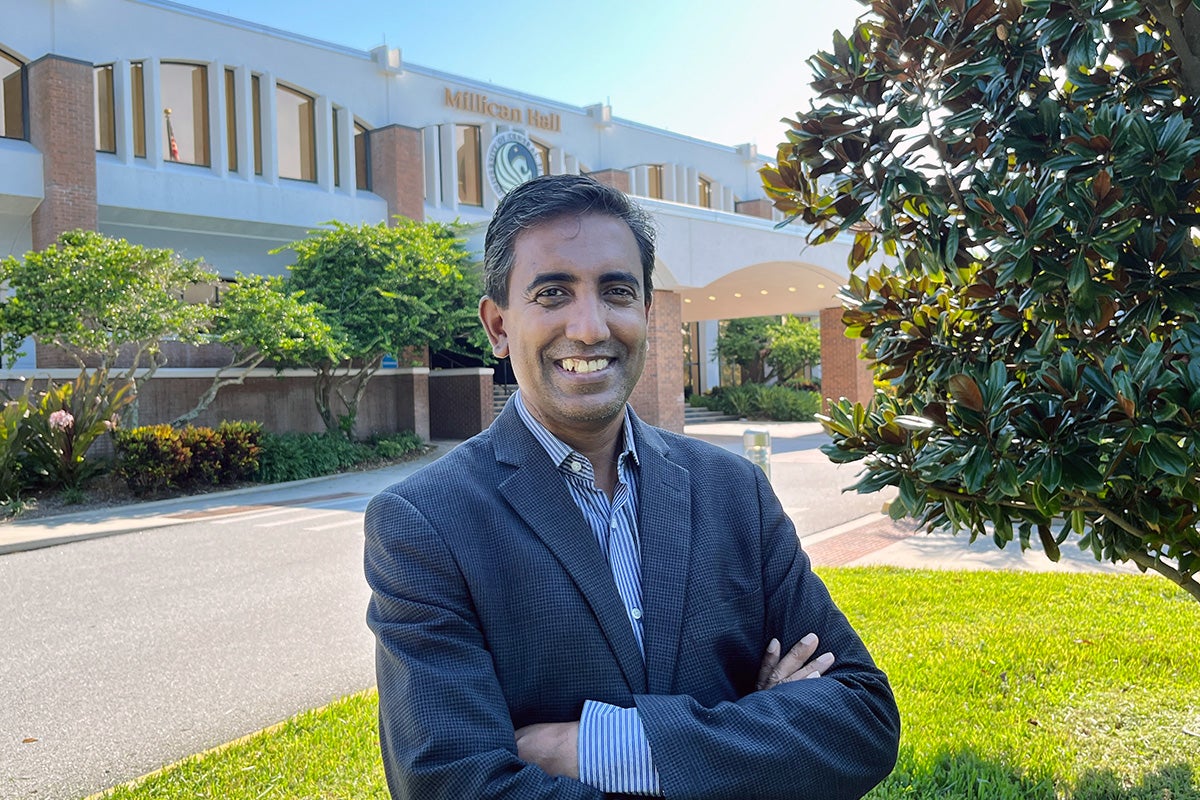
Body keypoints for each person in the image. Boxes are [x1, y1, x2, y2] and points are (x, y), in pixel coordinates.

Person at [364, 174, 900, 799]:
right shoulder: (424, 525)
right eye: (552, 294)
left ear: (647, 314)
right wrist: (754, 744)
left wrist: (588, 747)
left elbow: (861, 718)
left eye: (615, 291)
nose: (590, 327)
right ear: (498, 326)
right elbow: (452, 786)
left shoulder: (734, 493)